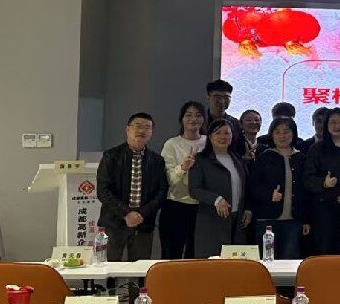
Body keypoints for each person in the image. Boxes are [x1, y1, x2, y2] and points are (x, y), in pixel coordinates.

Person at [97, 113, 168, 261]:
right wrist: (126, 213)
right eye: (138, 126)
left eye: (147, 127)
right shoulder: (111, 156)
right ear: (127, 129)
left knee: (140, 266)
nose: (142, 130)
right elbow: (103, 191)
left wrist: (141, 214)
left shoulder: (157, 160)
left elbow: (161, 192)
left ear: (151, 133)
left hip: (144, 221)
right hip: (115, 221)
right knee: (111, 266)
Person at [248, 116, 311, 259]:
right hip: (267, 219)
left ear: (293, 134)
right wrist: (269, 195)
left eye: (286, 131)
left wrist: (306, 219)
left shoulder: (301, 158)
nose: (282, 136)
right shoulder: (264, 157)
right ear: (271, 134)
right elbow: (252, 187)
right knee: (267, 260)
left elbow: (306, 192)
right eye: (277, 132)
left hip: (294, 220)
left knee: (290, 262)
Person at [189, 119, 252, 258]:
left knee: (236, 265)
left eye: (227, 133)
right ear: (210, 136)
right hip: (212, 221)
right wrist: (216, 199)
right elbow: (194, 189)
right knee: (213, 264)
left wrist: (248, 209)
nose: (223, 137)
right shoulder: (201, 160)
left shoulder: (238, 159)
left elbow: (246, 187)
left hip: (238, 221)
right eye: (218, 133)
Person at [302, 108, 340, 255]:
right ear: (326, 124)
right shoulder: (316, 149)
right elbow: (307, 179)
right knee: (323, 250)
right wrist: (324, 183)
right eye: (333, 122)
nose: (337, 126)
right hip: (322, 211)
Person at [159, 101, 207, 259]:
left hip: (203, 207)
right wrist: (183, 167)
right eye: (189, 115)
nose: (194, 119)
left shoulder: (209, 142)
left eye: (198, 115)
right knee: (172, 254)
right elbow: (167, 179)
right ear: (181, 119)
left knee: (197, 255)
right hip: (175, 205)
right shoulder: (172, 144)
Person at [204, 79, 245, 157]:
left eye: (226, 97)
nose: (222, 101)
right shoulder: (200, 121)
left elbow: (239, 149)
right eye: (217, 97)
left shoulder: (235, 123)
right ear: (208, 97)